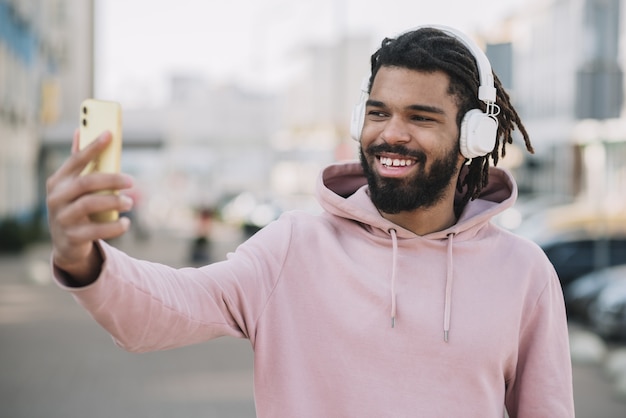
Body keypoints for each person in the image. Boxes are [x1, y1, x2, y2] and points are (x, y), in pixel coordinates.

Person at [46, 25, 575, 417]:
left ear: (472, 139)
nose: (391, 133)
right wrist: (84, 259)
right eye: (377, 112)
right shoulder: (293, 246)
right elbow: (157, 314)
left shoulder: (524, 273)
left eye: (420, 117)